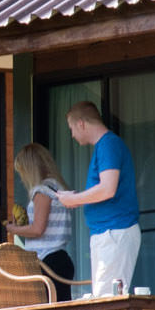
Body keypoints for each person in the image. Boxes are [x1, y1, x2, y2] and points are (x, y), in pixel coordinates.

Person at [54, 101, 140, 297]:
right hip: (109, 232)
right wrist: (75, 198)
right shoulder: (105, 145)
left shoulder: (108, 144)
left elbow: (108, 189)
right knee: (105, 297)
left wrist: (74, 200)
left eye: (71, 128)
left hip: (114, 231)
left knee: (107, 301)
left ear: (81, 123)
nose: (72, 135)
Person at [3, 142, 76, 300]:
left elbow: (38, 229)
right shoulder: (58, 188)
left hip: (48, 262)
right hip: (60, 258)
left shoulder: (42, 191)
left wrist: (13, 229)